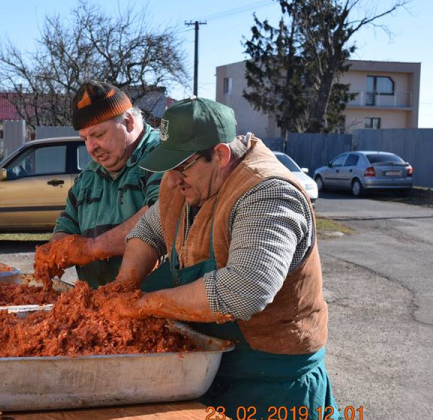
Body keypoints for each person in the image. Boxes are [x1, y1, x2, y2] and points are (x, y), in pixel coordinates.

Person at [104, 97, 341, 419]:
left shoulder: (268, 193)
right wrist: (125, 283)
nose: (171, 181)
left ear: (220, 154)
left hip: (272, 380)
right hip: (209, 369)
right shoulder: (187, 183)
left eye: (179, 168)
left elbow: (243, 291)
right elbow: (148, 231)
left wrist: (145, 304)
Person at [34, 80, 167, 288]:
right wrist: (53, 252)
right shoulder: (87, 178)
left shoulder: (164, 156)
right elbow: (66, 228)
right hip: (98, 308)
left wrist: (94, 247)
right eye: (84, 139)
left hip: (154, 306)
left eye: (98, 135)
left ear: (129, 122)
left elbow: (162, 215)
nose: (91, 147)